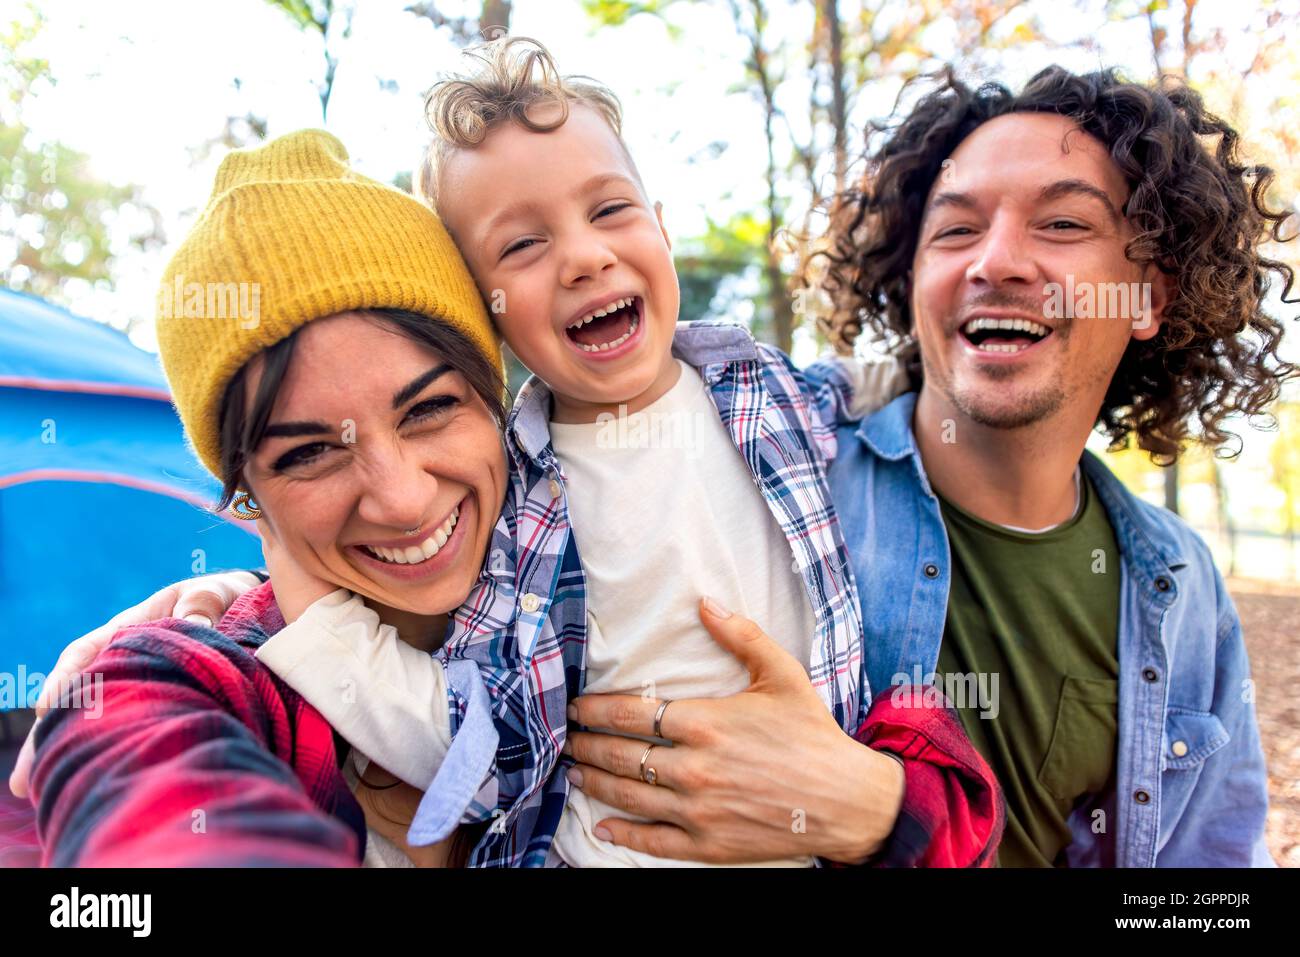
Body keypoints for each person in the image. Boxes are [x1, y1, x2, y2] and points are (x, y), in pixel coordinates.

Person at [15, 46, 1005, 868]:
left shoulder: (785, 403)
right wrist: (282, 614)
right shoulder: (521, 516)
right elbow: (174, 766)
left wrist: (876, 803)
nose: (401, 498)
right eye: (522, 248)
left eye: (431, 409)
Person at [809, 66, 1290, 865]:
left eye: (1063, 225)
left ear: (1148, 297)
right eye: (955, 230)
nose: (995, 261)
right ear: (912, 280)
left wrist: (892, 817)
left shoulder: (1182, 585)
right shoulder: (791, 487)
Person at [25, 128, 511, 867]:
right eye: (311, 452)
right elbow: (144, 754)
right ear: (247, 493)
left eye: (429, 408)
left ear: (494, 398)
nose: (404, 499)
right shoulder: (201, 674)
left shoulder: (631, 581)